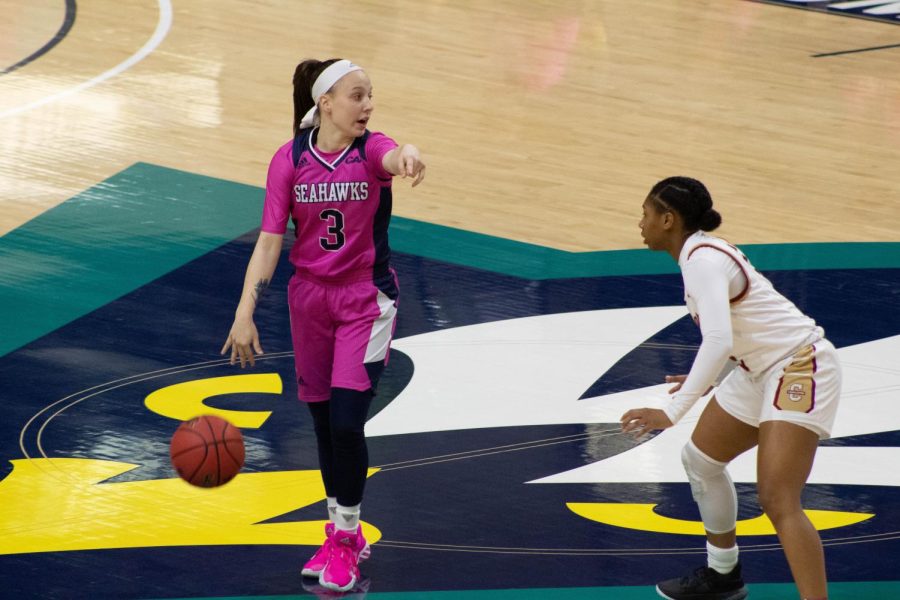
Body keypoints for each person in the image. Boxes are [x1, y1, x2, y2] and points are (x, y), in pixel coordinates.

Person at [221, 57, 426, 593]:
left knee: (344, 423)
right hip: (308, 300)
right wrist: (245, 312)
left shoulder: (371, 151)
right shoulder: (289, 160)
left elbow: (394, 151)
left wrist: (409, 156)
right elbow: (269, 241)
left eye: (370, 95)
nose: (368, 105)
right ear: (326, 104)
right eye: (357, 96)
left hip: (365, 299)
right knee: (319, 425)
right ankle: (340, 531)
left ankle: (345, 536)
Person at [620, 177, 840, 600]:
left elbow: (719, 339)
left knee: (779, 499)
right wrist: (712, 377)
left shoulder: (702, 261)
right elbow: (744, 333)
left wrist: (673, 411)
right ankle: (724, 575)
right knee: (701, 460)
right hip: (759, 369)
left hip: (799, 365)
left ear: (669, 220)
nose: (641, 223)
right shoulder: (699, 256)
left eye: (646, 214)